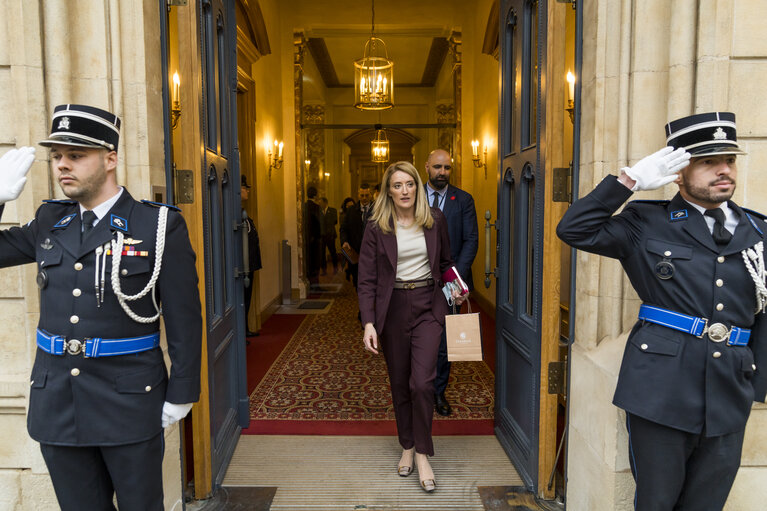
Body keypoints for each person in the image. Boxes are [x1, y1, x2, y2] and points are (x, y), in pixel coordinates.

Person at [557, 112, 767, 510]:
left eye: (729, 160)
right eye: (708, 162)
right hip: (660, 388)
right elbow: (574, 229)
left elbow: (765, 311)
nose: (724, 171)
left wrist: (756, 386)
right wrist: (627, 183)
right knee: (656, 501)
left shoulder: (758, 231)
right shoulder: (645, 222)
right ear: (678, 171)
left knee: (708, 503)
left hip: (729, 390)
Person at [0, 104, 202, 510]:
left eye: (76, 155)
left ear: (110, 158)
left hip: (128, 399)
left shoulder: (157, 226)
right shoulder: (49, 221)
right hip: (58, 399)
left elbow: (184, 317)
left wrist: (183, 391)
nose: (62, 166)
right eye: (57, 156)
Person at [358, 161, 466, 493]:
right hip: (392, 310)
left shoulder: (435, 221)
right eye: (397, 185)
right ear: (388, 191)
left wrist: (455, 290)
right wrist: (369, 323)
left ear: (418, 187)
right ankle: (407, 444)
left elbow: (445, 264)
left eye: (410, 184)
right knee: (400, 383)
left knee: (422, 383)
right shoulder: (377, 226)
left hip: (428, 307)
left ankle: (422, 452)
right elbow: (367, 280)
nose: (405, 191)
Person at [424, 149, 479, 416]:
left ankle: (438, 391)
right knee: (417, 336)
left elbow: (471, 240)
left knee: (445, 341)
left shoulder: (463, 200)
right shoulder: (412, 197)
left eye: (446, 168)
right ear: (427, 167)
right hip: (417, 281)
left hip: (450, 282)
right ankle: (419, 390)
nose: (442, 172)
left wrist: (455, 279)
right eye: (437, 167)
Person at [340, 183, 373, 288]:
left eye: (366, 195)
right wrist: (344, 241)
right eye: (362, 195)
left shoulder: (378, 210)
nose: (364, 198)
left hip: (373, 254)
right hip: (356, 253)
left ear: (371, 195)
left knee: (372, 283)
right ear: (358, 195)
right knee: (358, 283)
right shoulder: (351, 211)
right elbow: (343, 229)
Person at [241, 175, 262, 336]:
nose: (247, 191)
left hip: (249, 265)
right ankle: (242, 331)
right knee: (242, 299)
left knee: (247, 299)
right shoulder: (237, 215)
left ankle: (245, 329)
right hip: (243, 267)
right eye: (244, 188)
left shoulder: (244, 214)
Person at [304, 185, 322, 286]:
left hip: (307, 238)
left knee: (309, 261)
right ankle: (315, 284)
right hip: (315, 239)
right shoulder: (316, 207)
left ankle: (309, 282)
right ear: (315, 195)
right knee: (315, 262)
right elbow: (319, 224)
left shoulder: (304, 206)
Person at [319, 196, 338, 275]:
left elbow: (335, 221)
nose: (320, 204)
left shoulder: (333, 210)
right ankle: (324, 270)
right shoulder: (318, 212)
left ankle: (335, 268)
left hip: (330, 236)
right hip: (321, 236)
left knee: (333, 252)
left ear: (325, 203)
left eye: (321, 203)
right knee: (322, 254)